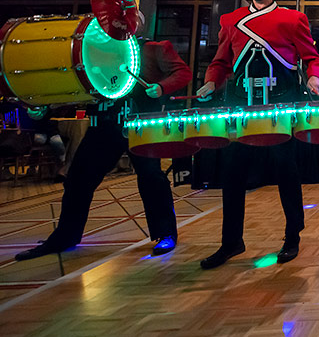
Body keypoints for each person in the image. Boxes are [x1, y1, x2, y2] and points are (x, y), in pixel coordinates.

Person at [15, 29, 191, 260]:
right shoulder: (94, 54)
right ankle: (66, 235)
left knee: (151, 179)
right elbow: (77, 86)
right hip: (104, 126)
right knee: (78, 179)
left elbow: (183, 72)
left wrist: (161, 87)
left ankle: (166, 233)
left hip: (141, 126)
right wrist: (45, 105)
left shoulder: (152, 47)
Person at [195, 0, 319, 269]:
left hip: (281, 105)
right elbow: (221, 62)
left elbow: (312, 57)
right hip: (241, 107)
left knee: (286, 171)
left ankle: (292, 236)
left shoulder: (293, 19)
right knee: (233, 175)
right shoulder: (231, 20)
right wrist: (211, 82)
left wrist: (315, 77)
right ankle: (231, 242)